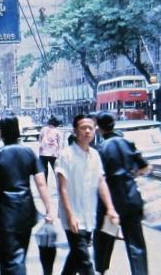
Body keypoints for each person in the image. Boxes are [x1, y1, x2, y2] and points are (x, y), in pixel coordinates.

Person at [0, 112, 55, 275]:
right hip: (26, 213)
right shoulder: (28, 153)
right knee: (19, 256)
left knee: (9, 261)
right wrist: (49, 209)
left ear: (1, 133)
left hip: (4, 214)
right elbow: (41, 183)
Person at [55, 114, 119, 275]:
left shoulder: (95, 155)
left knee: (75, 259)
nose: (88, 131)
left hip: (89, 215)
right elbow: (62, 188)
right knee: (85, 262)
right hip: (72, 217)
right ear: (75, 131)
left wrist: (110, 208)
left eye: (91, 128)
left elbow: (101, 182)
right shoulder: (66, 155)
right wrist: (70, 216)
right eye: (84, 128)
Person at [94, 112, 152, 275]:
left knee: (104, 240)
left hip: (110, 203)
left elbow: (99, 177)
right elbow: (145, 167)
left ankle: (100, 270)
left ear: (99, 128)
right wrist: (131, 175)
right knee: (136, 244)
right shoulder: (127, 143)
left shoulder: (100, 148)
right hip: (131, 198)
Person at [38, 115, 62, 181]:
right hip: (53, 153)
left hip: (43, 153)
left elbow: (39, 139)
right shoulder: (57, 131)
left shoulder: (43, 129)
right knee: (56, 171)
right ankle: (59, 186)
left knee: (44, 171)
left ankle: (45, 186)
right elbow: (59, 143)